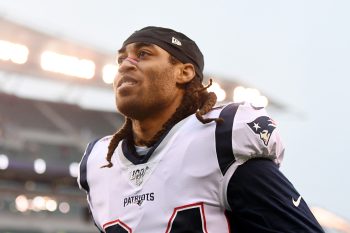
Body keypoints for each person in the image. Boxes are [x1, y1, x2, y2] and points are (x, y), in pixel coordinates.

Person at [78, 26, 324, 233]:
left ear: (184, 72)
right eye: (121, 58)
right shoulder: (99, 164)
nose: (125, 64)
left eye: (143, 54)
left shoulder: (220, 140)